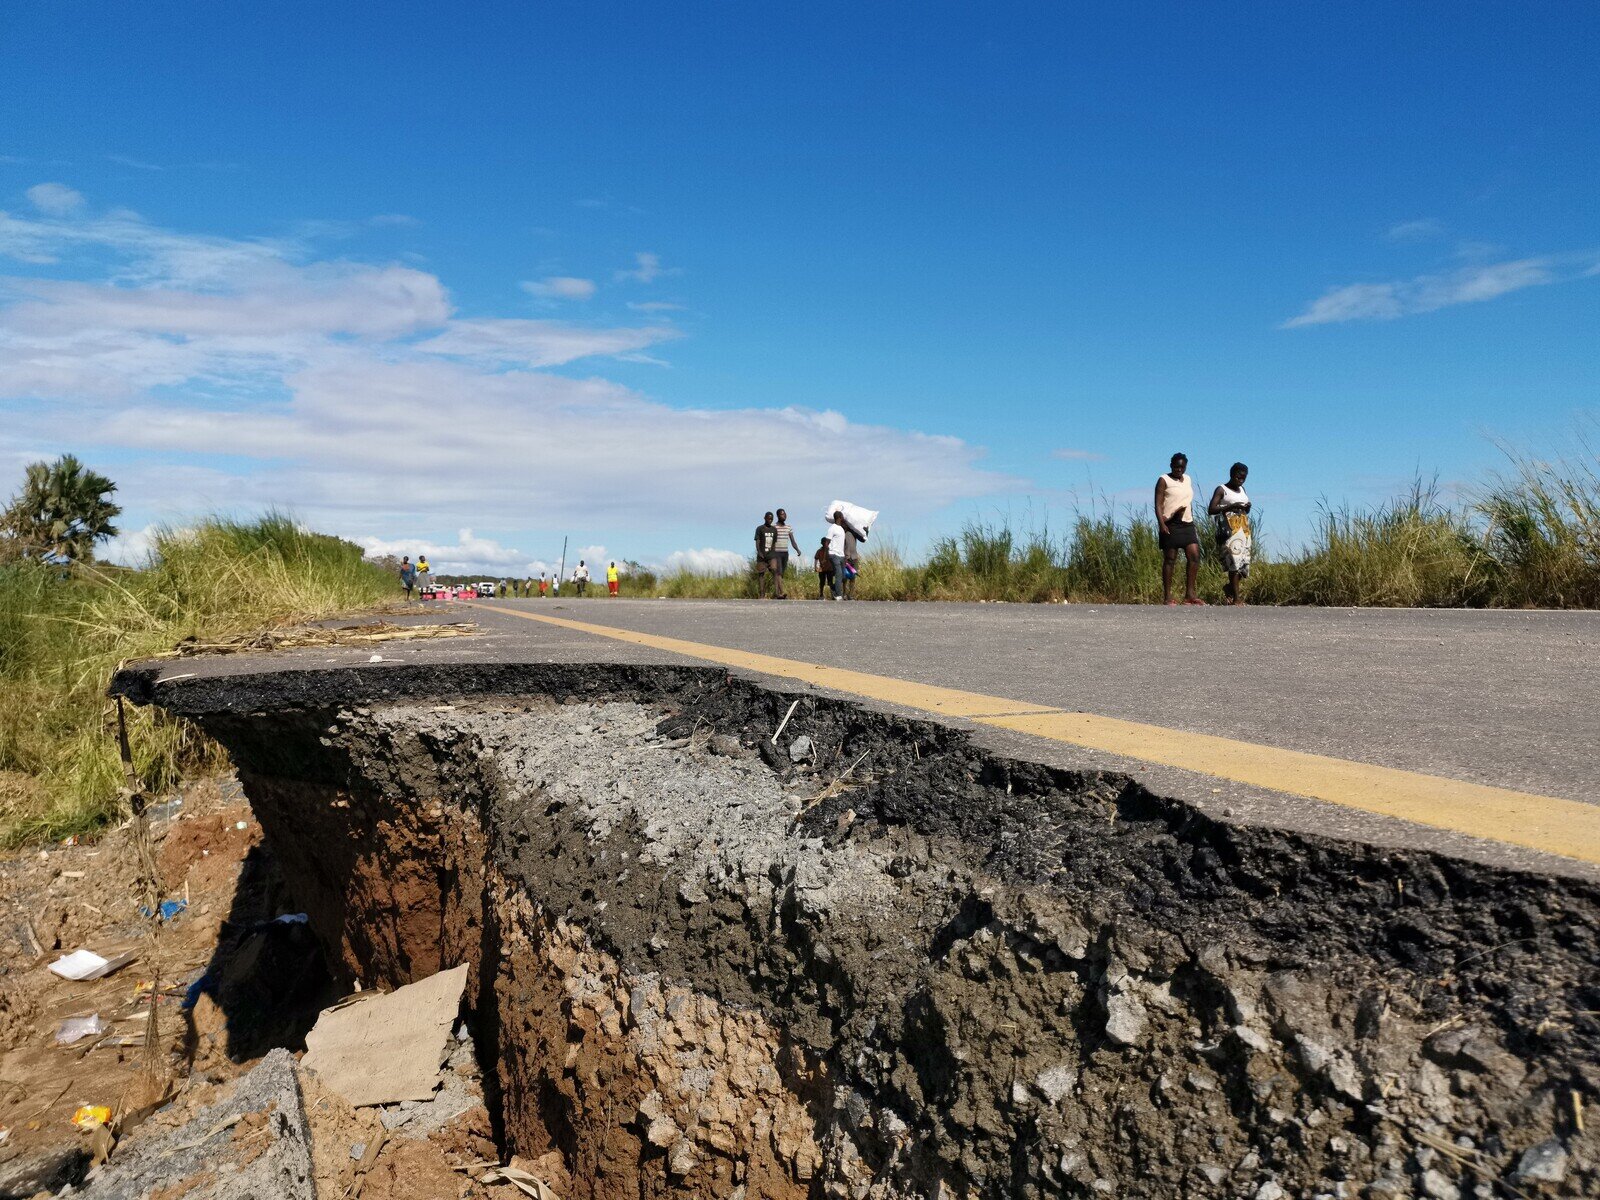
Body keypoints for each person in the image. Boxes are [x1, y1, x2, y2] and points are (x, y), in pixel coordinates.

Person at [1156, 452, 1204, 606]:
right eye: (1176, 466)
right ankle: (1167, 596)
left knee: (1194, 556)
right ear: (1171, 465)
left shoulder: (1188, 479)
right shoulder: (1164, 480)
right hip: (1170, 522)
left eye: (1182, 467)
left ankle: (1190, 595)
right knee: (1170, 559)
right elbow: (1158, 504)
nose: (1179, 469)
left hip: (1187, 523)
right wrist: (1161, 524)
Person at [1208, 463, 1253, 605]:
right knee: (1234, 562)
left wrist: (1246, 508)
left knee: (1243, 565)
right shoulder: (1222, 489)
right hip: (1230, 529)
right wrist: (1231, 506)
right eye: (1238, 476)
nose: (1241, 480)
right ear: (1232, 474)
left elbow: (1244, 508)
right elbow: (1211, 509)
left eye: (1243, 478)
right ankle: (1236, 598)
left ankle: (1229, 588)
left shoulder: (1242, 490)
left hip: (1243, 528)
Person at [769, 508, 804, 599]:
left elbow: (792, 540)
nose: (784, 516)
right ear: (778, 516)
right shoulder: (773, 527)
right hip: (776, 552)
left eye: (785, 514)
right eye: (782, 514)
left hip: (785, 552)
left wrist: (797, 549)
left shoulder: (788, 527)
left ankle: (777, 594)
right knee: (779, 572)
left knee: (780, 574)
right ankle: (782, 592)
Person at [754, 512, 779, 598]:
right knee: (761, 574)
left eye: (771, 519)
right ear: (764, 518)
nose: (770, 520)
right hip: (762, 555)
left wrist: (775, 553)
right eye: (768, 518)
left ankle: (776, 593)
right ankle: (762, 594)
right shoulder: (760, 529)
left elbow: (774, 543)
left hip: (771, 555)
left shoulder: (774, 529)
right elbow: (757, 541)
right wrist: (759, 552)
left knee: (775, 571)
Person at [825, 511, 849, 600]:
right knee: (838, 574)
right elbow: (827, 542)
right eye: (842, 516)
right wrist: (827, 555)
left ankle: (833, 588)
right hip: (834, 554)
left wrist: (845, 556)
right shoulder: (832, 528)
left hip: (841, 555)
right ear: (839, 517)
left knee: (843, 576)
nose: (843, 518)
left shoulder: (842, 529)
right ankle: (838, 595)